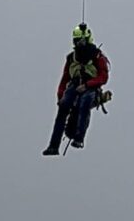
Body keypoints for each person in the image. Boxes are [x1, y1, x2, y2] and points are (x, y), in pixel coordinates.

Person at [44, 24, 110, 155]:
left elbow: (103, 76)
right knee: (63, 107)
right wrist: (60, 97)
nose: (78, 44)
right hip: (74, 86)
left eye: (81, 41)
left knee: (85, 102)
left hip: (91, 86)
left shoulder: (97, 56)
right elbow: (64, 79)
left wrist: (87, 85)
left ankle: (79, 138)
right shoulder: (71, 58)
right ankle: (53, 145)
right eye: (76, 41)